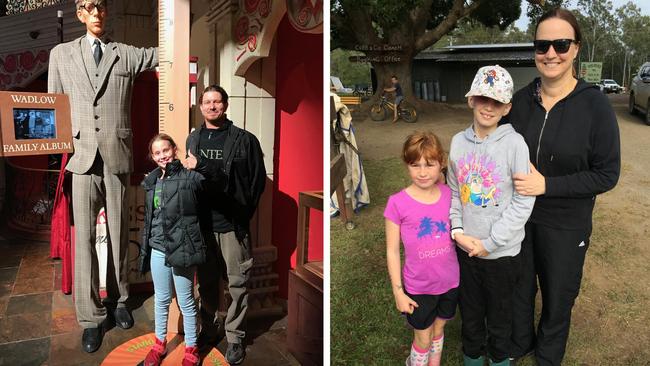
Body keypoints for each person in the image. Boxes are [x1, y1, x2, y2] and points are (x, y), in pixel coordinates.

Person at [507, 9, 620, 366]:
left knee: (558, 295)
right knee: (519, 288)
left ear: (575, 49)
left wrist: (547, 185)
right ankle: (520, 341)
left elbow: (606, 174)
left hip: (566, 223)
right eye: (542, 45)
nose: (550, 53)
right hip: (517, 218)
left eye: (561, 44)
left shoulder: (595, 105)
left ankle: (548, 354)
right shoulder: (520, 101)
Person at [47, 0, 157, 353]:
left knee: (119, 233)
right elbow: (52, 106)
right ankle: (91, 317)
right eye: (88, 6)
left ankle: (121, 300)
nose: (96, 12)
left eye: (101, 6)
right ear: (80, 13)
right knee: (83, 243)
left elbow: (163, 54)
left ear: (106, 12)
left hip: (116, 157)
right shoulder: (61, 54)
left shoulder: (123, 53)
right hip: (80, 159)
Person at [447, 65, 535, 366]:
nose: (488, 106)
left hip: (503, 256)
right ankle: (472, 358)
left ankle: (499, 360)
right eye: (483, 98)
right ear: (471, 99)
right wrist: (457, 232)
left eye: (497, 102)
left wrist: (492, 242)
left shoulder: (515, 144)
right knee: (470, 317)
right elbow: (455, 194)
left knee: (500, 321)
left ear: (507, 107)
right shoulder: (458, 143)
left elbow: (524, 201)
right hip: (466, 252)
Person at [183, 85, 266, 365]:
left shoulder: (245, 140)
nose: (212, 106)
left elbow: (257, 182)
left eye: (217, 101)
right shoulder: (193, 139)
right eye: (207, 102)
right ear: (200, 106)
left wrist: (243, 214)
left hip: (232, 226)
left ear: (225, 105)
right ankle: (209, 327)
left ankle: (235, 338)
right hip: (203, 226)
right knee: (206, 283)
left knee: (238, 284)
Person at [384, 131, 459, 366]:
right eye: (415, 165)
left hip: (450, 282)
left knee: (439, 328)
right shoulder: (397, 203)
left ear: (441, 164)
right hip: (419, 287)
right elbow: (392, 251)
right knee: (423, 337)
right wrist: (398, 291)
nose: (423, 172)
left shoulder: (450, 195)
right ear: (407, 165)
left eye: (430, 164)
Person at [138, 134, 205, 366]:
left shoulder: (190, 178)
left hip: (182, 247)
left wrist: (201, 165)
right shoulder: (152, 182)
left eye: (165, 150)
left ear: (174, 150)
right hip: (158, 247)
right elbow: (152, 218)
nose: (162, 156)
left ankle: (191, 349)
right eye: (157, 153)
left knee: (186, 301)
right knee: (162, 299)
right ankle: (159, 344)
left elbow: (209, 188)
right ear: (152, 157)